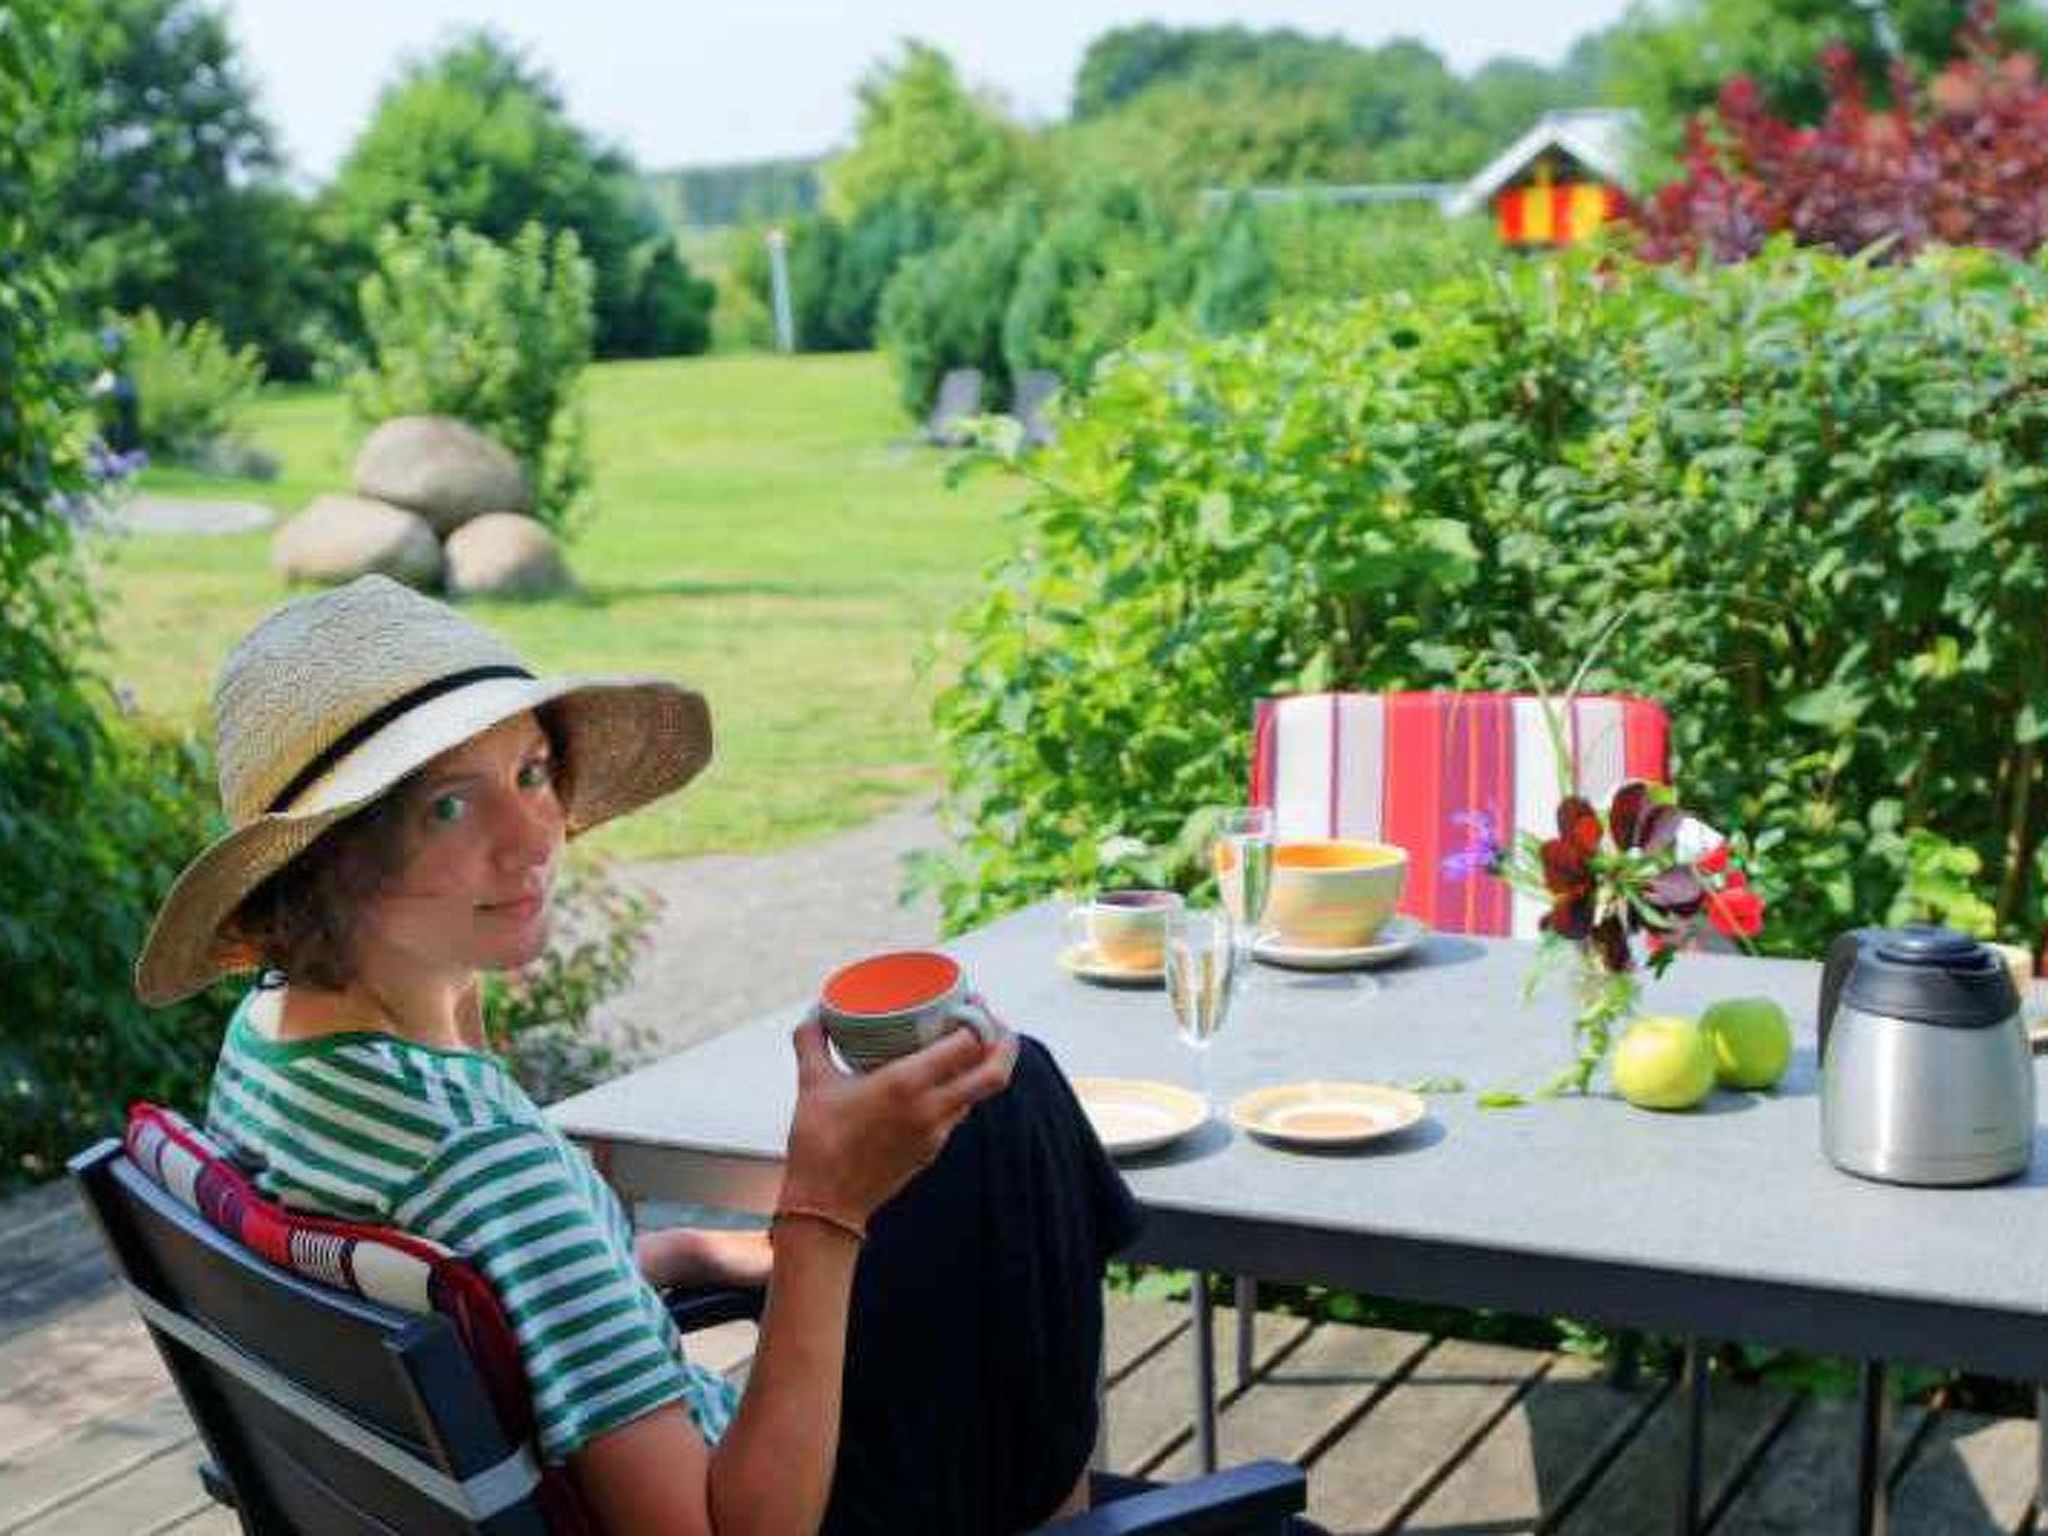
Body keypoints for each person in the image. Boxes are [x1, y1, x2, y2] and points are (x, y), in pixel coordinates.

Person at [134, 574, 1141, 1534]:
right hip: (786, 1500)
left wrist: (681, 1255)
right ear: (325, 864)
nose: (532, 838)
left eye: (532, 773)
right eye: (448, 805)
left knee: (974, 1123)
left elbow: (515, 1299)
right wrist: (822, 1209)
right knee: (1010, 1100)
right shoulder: (480, 1160)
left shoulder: (273, 1043)